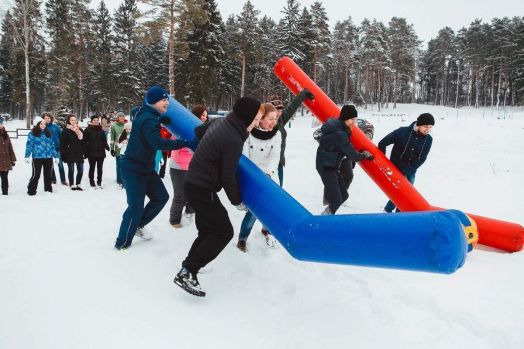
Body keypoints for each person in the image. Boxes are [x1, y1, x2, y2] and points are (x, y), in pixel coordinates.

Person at [174, 97, 263, 297]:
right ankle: (188, 272)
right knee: (223, 232)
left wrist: (209, 148)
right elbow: (227, 175)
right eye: (256, 118)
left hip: (194, 183)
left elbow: (198, 131)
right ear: (247, 116)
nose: (257, 123)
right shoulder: (232, 137)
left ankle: (190, 265)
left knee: (207, 230)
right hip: (202, 189)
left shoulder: (221, 121)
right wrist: (237, 201)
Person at [114, 85, 197, 251]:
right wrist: (185, 143)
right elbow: (157, 143)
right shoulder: (148, 119)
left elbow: (138, 112)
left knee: (161, 197)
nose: (167, 102)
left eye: (167, 99)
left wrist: (160, 119)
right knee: (135, 207)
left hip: (145, 168)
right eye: (163, 99)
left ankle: (138, 225)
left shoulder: (147, 114)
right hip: (133, 168)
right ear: (152, 101)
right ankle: (121, 243)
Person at [236, 103, 280, 252]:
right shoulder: (248, 132)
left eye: (276, 119)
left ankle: (266, 229)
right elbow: (245, 156)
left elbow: (275, 157)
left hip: (269, 176)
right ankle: (242, 238)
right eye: (270, 118)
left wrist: (267, 174)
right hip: (252, 175)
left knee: (269, 207)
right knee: (253, 210)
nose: (274, 122)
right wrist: (254, 176)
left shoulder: (277, 134)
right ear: (260, 119)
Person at [316, 105, 373, 215]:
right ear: (345, 118)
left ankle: (329, 212)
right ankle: (324, 219)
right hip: (326, 166)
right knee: (337, 200)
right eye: (352, 119)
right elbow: (352, 156)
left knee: (344, 196)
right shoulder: (340, 134)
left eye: (355, 119)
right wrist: (365, 155)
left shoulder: (337, 127)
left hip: (331, 165)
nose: (354, 122)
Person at [378, 113, 434, 213]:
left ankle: (397, 215)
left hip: (411, 171)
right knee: (398, 192)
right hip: (395, 169)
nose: (428, 130)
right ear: (419, 124)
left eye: (430, 127)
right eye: (426, 126)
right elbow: (382, 143)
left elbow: (422, 159)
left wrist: (406, 171)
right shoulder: (401, 132)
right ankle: (388, 211)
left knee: (405, 194)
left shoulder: (428, 140)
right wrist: (384, 163)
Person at [168, 105, 208, 228]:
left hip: (194, 167)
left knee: (193, 192)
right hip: (179, 167)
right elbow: (174, 142)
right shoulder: (183, 127)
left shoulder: (204, 130)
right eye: (202, 115)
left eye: (206, 116)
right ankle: (174, 220)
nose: (204, 118)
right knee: (180, 195)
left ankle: (190, 213)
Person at [270, 89, 314, 187]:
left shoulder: (281, 120)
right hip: (266, 164)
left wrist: (303, 94)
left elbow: (292, 107)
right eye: (276, 110)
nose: (279, 113)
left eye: (280, 110)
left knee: (278, 190)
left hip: (279, 162)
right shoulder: (264, 123)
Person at [25, 120, 58, 195]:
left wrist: (55, 156)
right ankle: (31, 190)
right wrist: (27, 156)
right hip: (37, 157)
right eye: (41, 124)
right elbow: (29, 145)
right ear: (38, 124)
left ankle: (48, 189)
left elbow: (52, 146)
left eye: (44, 124)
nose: (43, 125)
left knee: (48, 174)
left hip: (48, 157)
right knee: (36, 174)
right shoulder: (33, 133)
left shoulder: (49, 133)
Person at [84, 115, 110, 188]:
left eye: (97, 120)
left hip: (100, 151)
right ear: (92, 121)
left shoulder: (101, 130)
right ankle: (91, 181)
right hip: (91, 152)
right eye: (94, 120)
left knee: (100, 168)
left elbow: (104, 140)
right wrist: (85, 152)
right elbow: (84, 142)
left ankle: (99, 181)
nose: (96, 121)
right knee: (92, 167)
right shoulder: (87, 130)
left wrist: (107, 147)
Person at [60, 114, 85, 191]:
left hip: (79, 152)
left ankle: (78, 183)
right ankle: (72, 184)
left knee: (81, 170)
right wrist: (63, 154)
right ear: (69, 121)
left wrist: (85, 152)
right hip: (69, 152)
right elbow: (63, 143)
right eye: (72, 120)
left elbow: (83, 142)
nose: (73, 121)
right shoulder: (65, 130)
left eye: (75, 120)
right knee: (71, 170)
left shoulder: (80, 130)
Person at [42, 112, 67, 186]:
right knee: (50, 165)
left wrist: (61, 146)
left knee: (60, 165)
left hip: (57, 148)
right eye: (45, 118)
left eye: (48, 118)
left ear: (51, 119)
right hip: (48, 149)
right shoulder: (42, 127)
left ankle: (63, 180)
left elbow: (61, 136)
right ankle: (53, 179)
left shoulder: (56, 127)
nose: (47, 119)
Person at [110, 111, 126, 188]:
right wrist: (111, 149)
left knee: (126, 165)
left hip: (126, 149)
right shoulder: (114, 126)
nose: (122, 118)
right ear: (117, 118)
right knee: (119, 165)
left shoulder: (127, 125)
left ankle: (125, 179)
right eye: (120, 116)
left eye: (123, 116)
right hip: (118, 148)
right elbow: (112, 138)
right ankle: (119, 179)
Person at [0, 119, 16, 195]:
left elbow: (10, 147)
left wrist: (12, 159)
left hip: (6, 160)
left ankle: (5, 192)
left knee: (4, 177)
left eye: (1, 124)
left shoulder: (6, 135)